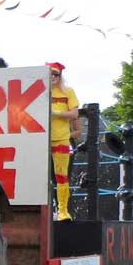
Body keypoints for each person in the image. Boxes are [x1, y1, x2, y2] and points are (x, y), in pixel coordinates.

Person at [47, 61, 79, 220]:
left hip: (61, 139)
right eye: (50, 73)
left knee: (61, 176)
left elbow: (75, 114)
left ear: (60, 76)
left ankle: (62, 210)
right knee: (41, 177)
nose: (53, 77)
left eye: (56, 74)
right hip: (42, 140)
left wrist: (57, 114)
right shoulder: (40, 92)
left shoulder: (68, 92)